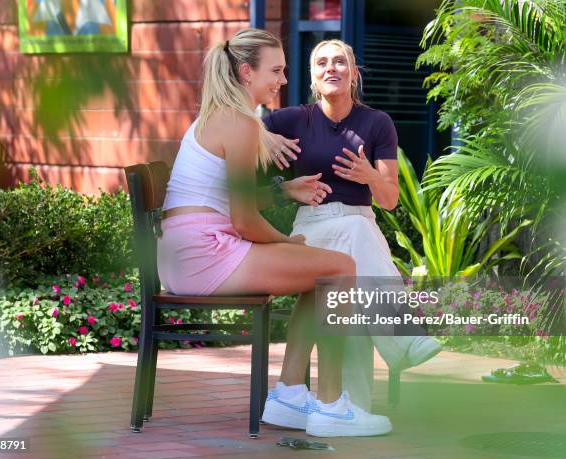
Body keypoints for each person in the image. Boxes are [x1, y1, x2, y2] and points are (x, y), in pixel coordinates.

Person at [157, 29, 392, 437]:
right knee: (338, 269)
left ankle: (288, 395)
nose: (283, 80)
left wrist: (283, 191)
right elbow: (244, 219)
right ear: (247, 73)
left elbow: (228, 200)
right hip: (203, 253)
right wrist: (289, 243)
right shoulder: (239, 123)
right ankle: (333, 407)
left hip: (189, 251)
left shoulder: (223, 117)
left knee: (318, 273)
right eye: (277, 70)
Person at [261, 39, 442, 414]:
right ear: (312, 77)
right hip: (312, 229)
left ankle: (350, 404)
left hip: (360, 223)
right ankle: (403, 338)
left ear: (354, 73)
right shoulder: (291, 119)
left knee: (355, 271)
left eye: (340, 62)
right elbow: (233, 125)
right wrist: (282, 184)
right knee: (358, 248)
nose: (332, 68)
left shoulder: (377, 123)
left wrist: (369, 175)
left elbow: (390, 199)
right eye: (322, 63)